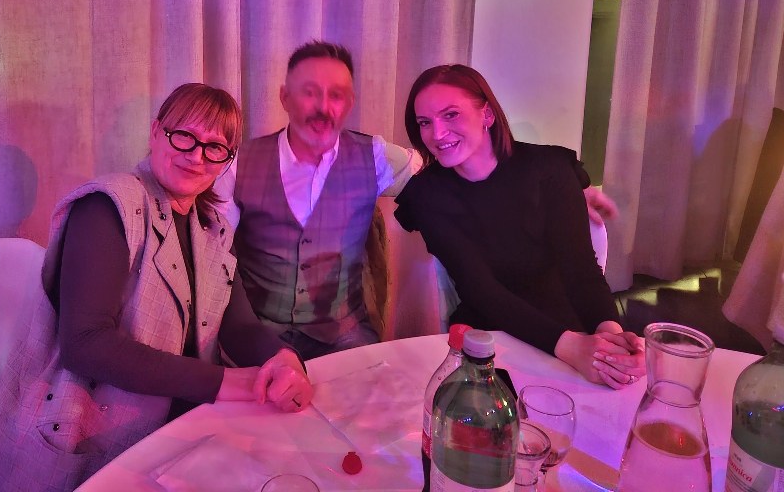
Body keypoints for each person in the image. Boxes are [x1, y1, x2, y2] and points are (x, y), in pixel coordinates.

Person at [0, 84, 313, 492]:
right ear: (157, 132)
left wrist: (283, 359)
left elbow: (239, 325)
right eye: (185, 136)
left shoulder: (213, 229)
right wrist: (228, 383)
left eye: (214, 147)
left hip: (185, 434)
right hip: (91, 440)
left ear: (226, 160)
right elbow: (85, 344)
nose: (196, 156)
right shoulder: (107, 206)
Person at [220, 41, 616, 361]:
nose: (324, 108)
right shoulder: (237, 163)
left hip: (344, 336)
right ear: (285, 97)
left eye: (336, 95)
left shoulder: (375, 157)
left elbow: (468, 171)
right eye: (309, 92)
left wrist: (573, 185)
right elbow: (212, 248)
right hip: (262, 336)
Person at [393, 64, 644, 389]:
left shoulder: (548, 171)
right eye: (425, 122)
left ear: (487, 114)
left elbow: (582, 272)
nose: (437, 134)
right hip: (489, 335)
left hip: (567, 323)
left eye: (451, 115)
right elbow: (481, 290)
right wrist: (571, 348)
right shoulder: (429, 195)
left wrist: (610, 338)